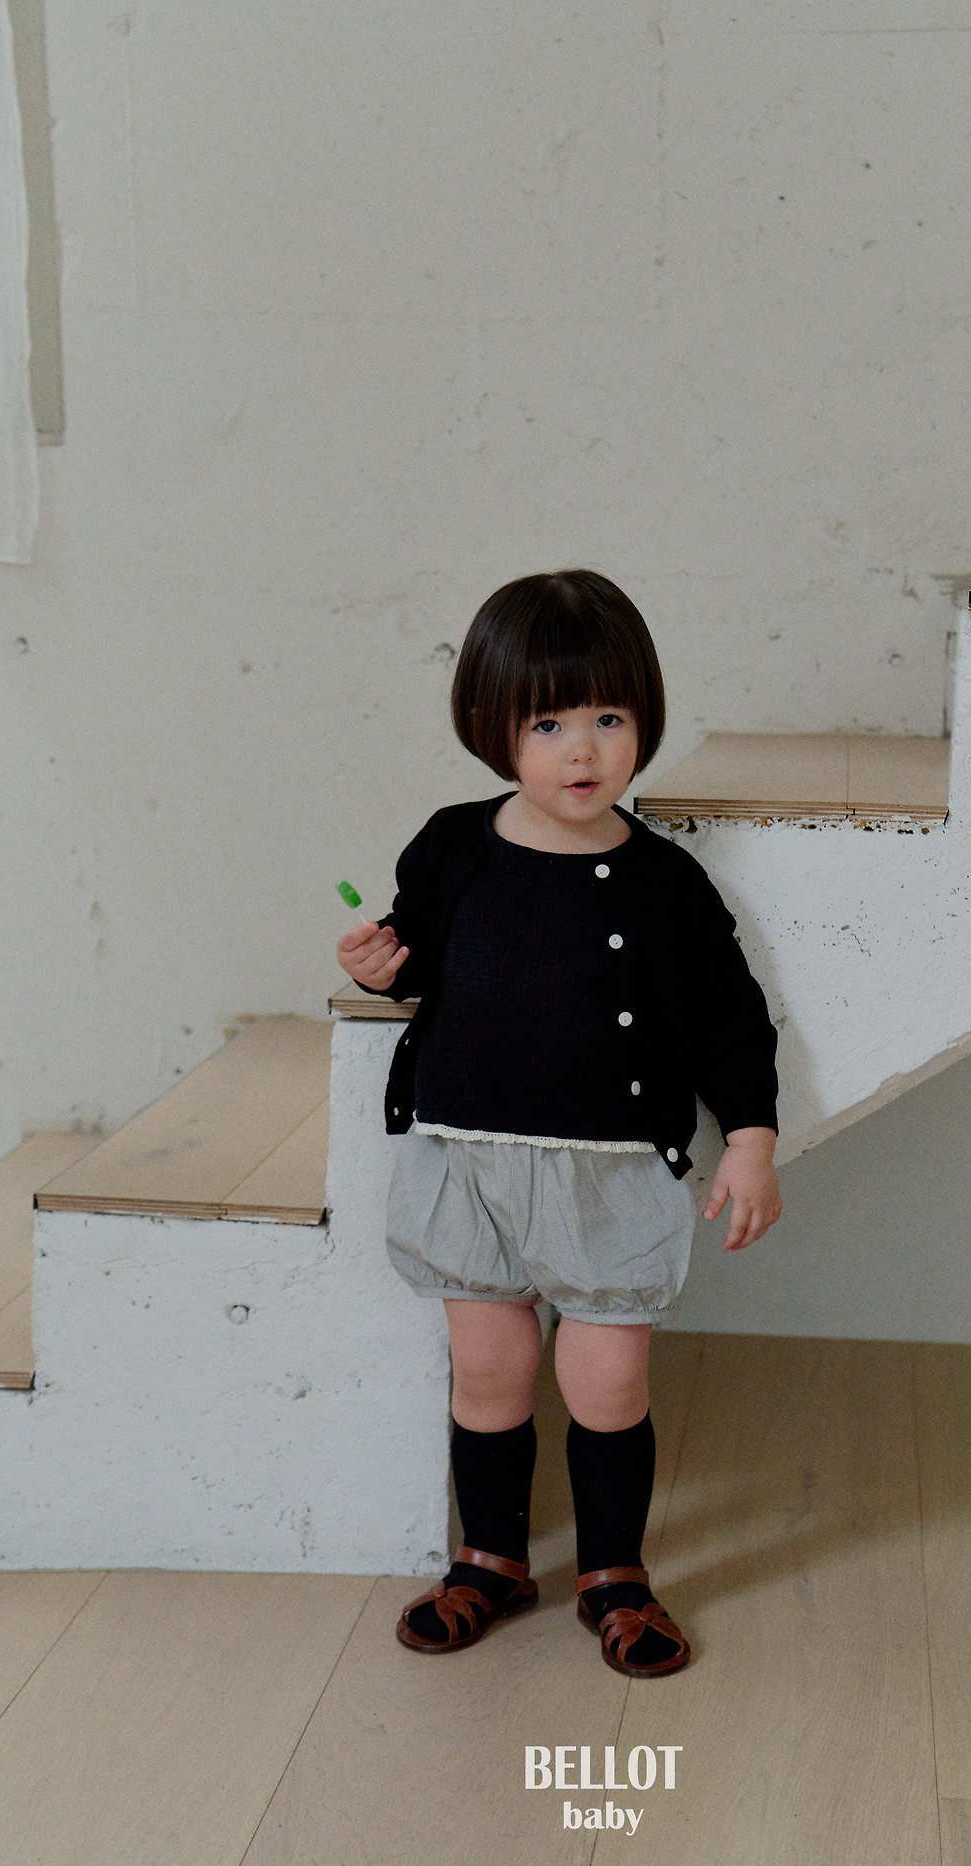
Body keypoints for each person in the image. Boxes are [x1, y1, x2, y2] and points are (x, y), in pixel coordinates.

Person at [335, 568, 782, 1677]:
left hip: (607, 1171)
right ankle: (488, 1557)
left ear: (643, 722)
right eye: (548, 725)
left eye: (608, 719)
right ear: (493, 728)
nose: (582, 750)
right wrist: (380, 967)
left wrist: (752, 1139)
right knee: (487, 1374)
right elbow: (423, 959)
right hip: (468, 1158)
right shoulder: (451, 846)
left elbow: (729, 1018)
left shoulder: (664, 882)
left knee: (607, 1383)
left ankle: (613, 1573)